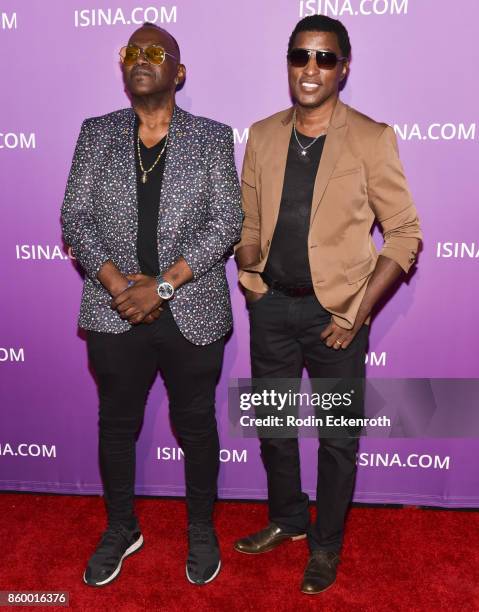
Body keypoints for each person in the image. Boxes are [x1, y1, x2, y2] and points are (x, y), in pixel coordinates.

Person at [234, 15, 422, 594]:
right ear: (288, 62)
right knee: (273, 427)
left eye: (323, 58)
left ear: (343, 67)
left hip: (337, 315)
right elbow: (249, 219)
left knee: (338, 441)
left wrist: (356, 314)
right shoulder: (263, 134)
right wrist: (249, 269)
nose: (310, 69)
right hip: (271, 310)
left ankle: (326, 545)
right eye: (300, 56)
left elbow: (405, 234)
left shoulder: (370, 136)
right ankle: (289, 520)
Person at [61, 22, 242, 587]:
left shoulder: (211, 137)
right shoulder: (97, 133)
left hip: (191, 308)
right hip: (114, 311)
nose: (143, 59)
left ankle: (200, 528)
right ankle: (121, 528)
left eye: (156, 52)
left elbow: (227, 222)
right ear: (123, 69)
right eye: (133, 52)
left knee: (195, 425)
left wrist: (161, 286)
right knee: (116, 425)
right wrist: (120, 287)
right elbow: (75, 217)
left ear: (178, 72)